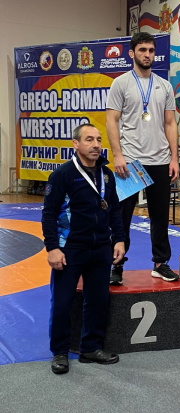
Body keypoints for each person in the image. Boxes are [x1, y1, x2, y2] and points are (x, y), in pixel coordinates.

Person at [41, 124, 125, 375]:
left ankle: (91, 347)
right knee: (63, 303)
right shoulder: (63, 175)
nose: (96, 145)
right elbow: (49, 213)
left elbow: (114, 209)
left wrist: (119, 239)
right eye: (89, 139)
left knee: (98, 300)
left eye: (98, 139)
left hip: (100, 248)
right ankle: (60, 351)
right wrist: (52, 248)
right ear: (75, 144)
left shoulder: (107, 175)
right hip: (70, 249)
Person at [106, 32, 179, 284]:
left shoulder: (164, 86)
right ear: (132, 53)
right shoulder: (121, 84)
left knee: (160, 215)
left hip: (160, 159)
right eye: (142, 50)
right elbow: (112, 120)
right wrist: (118, 155)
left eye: (151, 50)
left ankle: (160, 263)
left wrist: (174, 158)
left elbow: (170, 123)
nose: (147, 55)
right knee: (121, 216)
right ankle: (117, 264)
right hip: (130, 160)